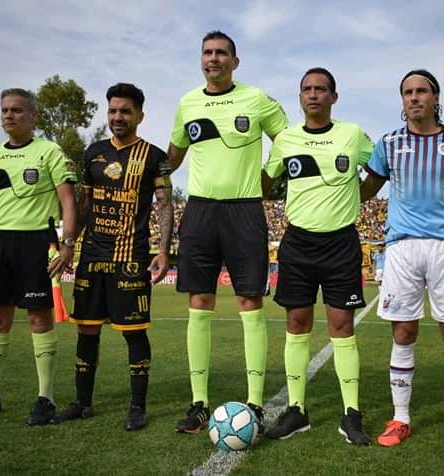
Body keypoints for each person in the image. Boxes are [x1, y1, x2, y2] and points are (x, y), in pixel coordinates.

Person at [167, 30, 289, 433]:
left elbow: (286, 139)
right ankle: (198, 402)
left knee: (249, 302)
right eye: (207, 52)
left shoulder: (256, 98)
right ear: (200, 59)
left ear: (235, 62)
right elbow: (173, 155)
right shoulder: (188, 102)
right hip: (200, 210)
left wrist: (268, 177)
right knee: (199, 300)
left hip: (244, 210)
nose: (213, 58)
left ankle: (254, 403)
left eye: (221, 53)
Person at [360, 70, 444, 453]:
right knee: (403, 332)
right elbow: (366, 191)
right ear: (402, 100)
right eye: (407, 92)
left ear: (436, 97)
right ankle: (400, 418)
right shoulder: (388, 144)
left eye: (421, 91)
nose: (414, 97)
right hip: (402, 248)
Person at [262, 67, 373, 446]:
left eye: (320, 89)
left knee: (342, 326)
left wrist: (361, 195)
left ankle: (351, 413)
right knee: (296, 323)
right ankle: (297, 410)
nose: (313, 94)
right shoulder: (286, 139)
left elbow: (380, 167)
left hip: (341, 243)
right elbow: (266, 181)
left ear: (333, 97)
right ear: (300, 96)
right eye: (306, 89)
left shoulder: (352, 135)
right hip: (298, 243)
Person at [52, 83, 172, 431]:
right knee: (86, 329)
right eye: (113, 111)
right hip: (92, 256)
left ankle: (137, 407)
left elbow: (164, 205)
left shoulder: (154, 156)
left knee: (133, 332)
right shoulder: (93, 153)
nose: (118, 117)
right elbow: (84, 204)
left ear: (140, 116)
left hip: (130, 258)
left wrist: (163, 250)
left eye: (125, 111)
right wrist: (69, 243)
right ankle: (82, 402)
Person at [0, 88, 77, 425]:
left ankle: (46, 398)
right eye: (5, 110)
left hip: (36, 242)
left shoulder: (49, 151)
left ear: (33, 116)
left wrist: (68, 243)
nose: (9, 115)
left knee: (39, 319)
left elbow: (68, 200)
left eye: (17, 110)